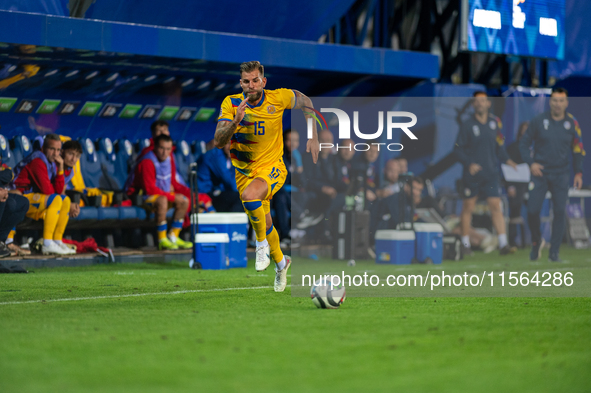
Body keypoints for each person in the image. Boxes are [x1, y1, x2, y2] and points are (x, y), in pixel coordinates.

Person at [214, 60, 319, 292]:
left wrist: (313, 135)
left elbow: (306, 102)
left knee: (250, 196)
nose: (251, 85)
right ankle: (282, 263)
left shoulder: (278, 98)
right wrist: (235, 122)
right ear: (240, 82)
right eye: (246, 81)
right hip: (244, 171)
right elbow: (219, 140)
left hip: (273, 167)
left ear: (263, 81)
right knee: (266, 220)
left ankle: (259, 245)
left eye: (255, 80)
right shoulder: (231, 103)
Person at [519, 87, 585, 262]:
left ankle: (554, 252)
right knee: (532, 210)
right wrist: (531, 163)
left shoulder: (572, 123)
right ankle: (536, 240)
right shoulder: (538, 121)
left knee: (559, 211)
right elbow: (523, 144)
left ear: (567, 102)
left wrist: (578, 172)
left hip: (561, 173)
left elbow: (578, 149)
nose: (558, 104)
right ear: (550, 101)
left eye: (561, 100)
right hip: (540, 173)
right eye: (555, 100)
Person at [454, 91, 517, 256]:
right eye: (476, 101)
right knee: (468, 207)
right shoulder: (467, 125)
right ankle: (465, 244)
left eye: (483, 101)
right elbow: (457, 149)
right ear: (473, 104)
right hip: (473, 175)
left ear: (488, 103)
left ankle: (503, 244)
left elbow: (499, 147)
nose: (480, 103)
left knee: (495, 206)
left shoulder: (495, 123)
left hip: (490, 173)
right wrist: (469, 163)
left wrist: (509, 161)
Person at [11, 133, 75, 255]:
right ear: (44, 148)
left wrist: (61, 168)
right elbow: (49, 191)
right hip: (16, 197)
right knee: (55, 199)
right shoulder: (38, 160)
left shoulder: (52, 162)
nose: (55, 153)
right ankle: (47, 243)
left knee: (65, 200)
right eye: (52, 149)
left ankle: (56, 241)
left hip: (28, 198)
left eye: (58, 150)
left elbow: (58, 189)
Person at [126, 134, 193, 250]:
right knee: (163, 200)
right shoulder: (147, 161)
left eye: (168, 149)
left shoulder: (169, 159)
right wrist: (172, 197)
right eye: (162, 148)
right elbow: (149, 189)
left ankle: (173, 236)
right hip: (141, 198)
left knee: (184, 200)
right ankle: (162, 240)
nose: (164, 152)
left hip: (161, 196)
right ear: (155, 148)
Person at [197, 141, 242, 213]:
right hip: (203, 194)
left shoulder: (228, 156)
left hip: (214, 191)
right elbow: (231, 184)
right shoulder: (215, 156)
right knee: (240, 198)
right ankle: (234, 223)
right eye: (228, 143)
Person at [505, 122, 529, 248]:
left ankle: (535, 238)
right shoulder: (513, 147)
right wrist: (510, 186)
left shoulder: (532, 148)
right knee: (515, 210)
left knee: (533, 209)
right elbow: (507, 167)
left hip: (528, 184)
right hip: (515, 184)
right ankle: (512, 240)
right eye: (524, 129)